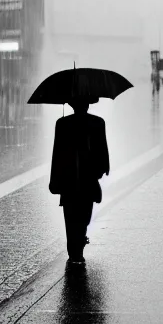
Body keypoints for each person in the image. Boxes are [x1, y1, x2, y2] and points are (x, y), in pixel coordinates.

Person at [49, 97, 110, 264]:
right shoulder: (97, 122)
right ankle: (79, 246)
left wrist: (54, 179)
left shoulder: (62, 124)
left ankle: (74, 251)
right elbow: (102, 149)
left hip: (68, 179)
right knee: (84, 216)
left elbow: (57, 155)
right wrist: (104, 167)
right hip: (88, 178)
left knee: (71, 217)